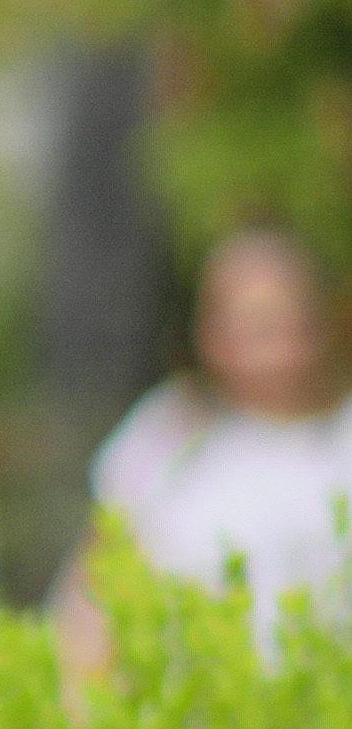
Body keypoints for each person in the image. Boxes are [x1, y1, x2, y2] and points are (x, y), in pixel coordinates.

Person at [58, 225, 352, 681]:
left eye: (281, 320)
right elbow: (96, 582)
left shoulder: (339, 437)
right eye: (250, 323)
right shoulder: (167, 431)